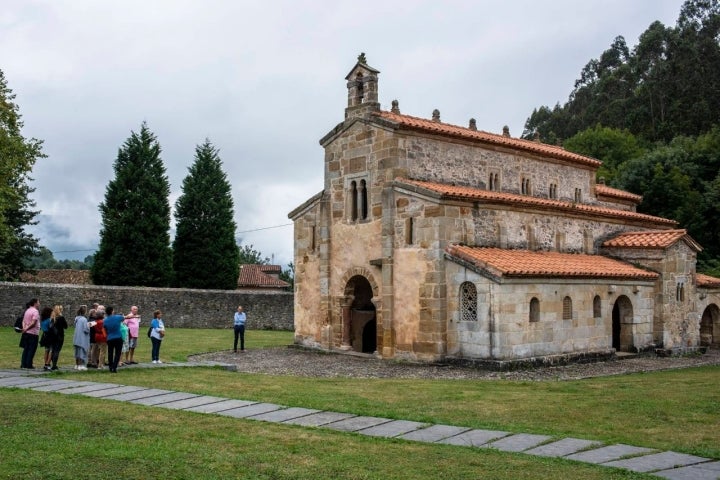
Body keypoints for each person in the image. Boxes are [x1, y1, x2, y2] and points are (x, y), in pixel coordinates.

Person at [20, 298, 41, 369]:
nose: (39, 303)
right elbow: (33, 323)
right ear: (35, 303)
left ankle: (23, 364)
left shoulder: (27, 310)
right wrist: (27, 328)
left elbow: (23, 320)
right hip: (33, 333)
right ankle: (29, 364)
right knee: (31, 349)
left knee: (26, 348)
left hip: (26, 333)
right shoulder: (35, 311)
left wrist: (24, 328)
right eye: (38, 302)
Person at [103, 306, 124, 373]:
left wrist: (106, 336)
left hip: (110, 338)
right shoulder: (117, 317)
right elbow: (124, 318)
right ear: (112, 311)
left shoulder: (105, 320)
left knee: (110, 353)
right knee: (118, 353)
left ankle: (110, 366)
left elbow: (104, 329)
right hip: (118, 337)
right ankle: (114, 367)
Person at [49, 304, 68, 371]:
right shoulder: (61, 318)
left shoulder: (52, 318)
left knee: (53, 350)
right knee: (57, 350)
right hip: (59, 336)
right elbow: (66, 326)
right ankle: (54, 365)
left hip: (52, 336)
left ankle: (53, 364)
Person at [73, 306, 91, 370]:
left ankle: (77, 365)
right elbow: (86, 329)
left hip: (76, 337)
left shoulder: (76, 318)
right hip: (82, 338)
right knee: (81, 352)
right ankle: (81, 365)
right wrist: (89, 326)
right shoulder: (84, 319)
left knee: (77, 352)